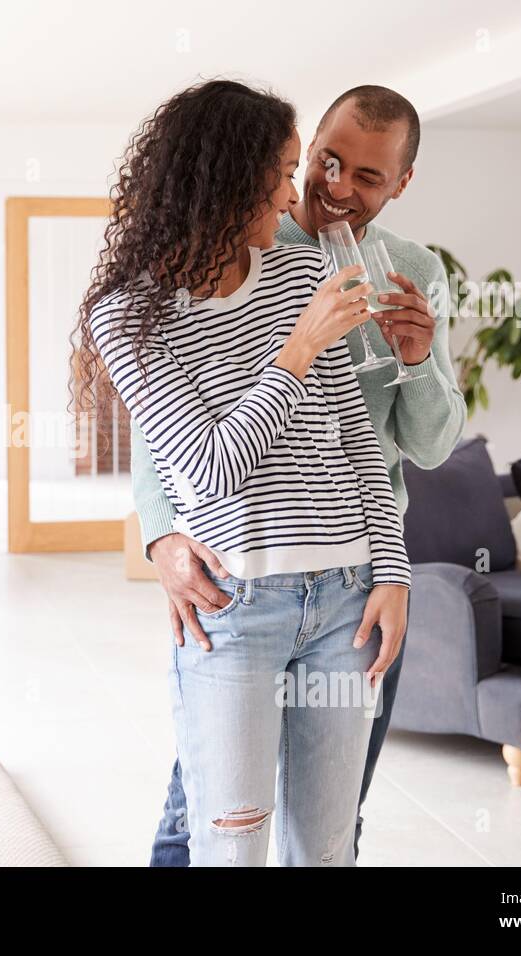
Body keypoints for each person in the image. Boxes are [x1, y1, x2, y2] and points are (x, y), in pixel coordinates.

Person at [78, 79, 411, 867]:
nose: (300, 191)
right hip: (234, 614)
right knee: (229, 847)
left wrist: (392, 572)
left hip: (345, 604)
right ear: (225, 177)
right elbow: (209, 468)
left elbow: (359, 442)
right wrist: (296, 350)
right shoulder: (128, 317)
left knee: (325, 851)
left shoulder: (298, 279)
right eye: (287, 168)